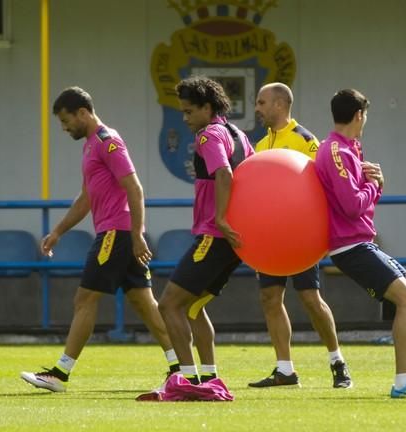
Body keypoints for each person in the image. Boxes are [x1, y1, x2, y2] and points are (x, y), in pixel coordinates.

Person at [20, 87, 178, 392]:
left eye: (66, 121)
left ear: (83, 113)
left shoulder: (108, 142)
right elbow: (86, 199)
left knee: (85, 299)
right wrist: (58, 232)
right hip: (119, 233)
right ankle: (180, 367)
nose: (64, 128)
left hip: (116, 234)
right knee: (144, 302)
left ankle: (60, 374)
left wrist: (136, 234)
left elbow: (135, 188)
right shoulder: (90, 146)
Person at [314, 88, 406, 400]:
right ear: (359, 115)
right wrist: (375, 185)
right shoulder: (337, 151)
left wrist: (369, 181)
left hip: (360, 242)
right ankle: (402, 383)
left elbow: (353, 196)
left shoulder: (347, 149)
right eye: (365, 117)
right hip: (350, 246)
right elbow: (351, 205)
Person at [248, 83, 352, 389]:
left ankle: (338, 362)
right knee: (269, 297)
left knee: (310, 298)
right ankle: (285, 370)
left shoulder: (306, 141)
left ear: (280, 105)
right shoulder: (260, 146)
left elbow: (325, 186)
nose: (257, 108)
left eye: (261, 102)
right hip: (269, 239)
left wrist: (320, 236)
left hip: (299, 237)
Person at [157, 76, 255, 386]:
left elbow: (224, 174)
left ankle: (186, 379)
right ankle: (210, 378)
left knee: (169, 304)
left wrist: (222, 219)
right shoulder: (238, 134)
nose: (185, 119)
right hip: (232, 240)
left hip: (215, 235)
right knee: (195, 307)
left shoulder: (208, 136)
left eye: (188, 112)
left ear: (207, 107)